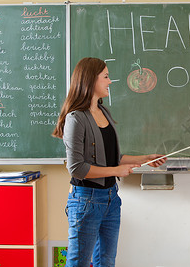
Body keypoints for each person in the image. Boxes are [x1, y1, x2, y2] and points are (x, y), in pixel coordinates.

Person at [52, 57, 167, 267]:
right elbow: (77, 169)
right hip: (86, 202)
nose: (110, 81)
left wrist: (146, 159)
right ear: (89, 81)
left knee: (106, 261)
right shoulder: (76, 118)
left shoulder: (103, 111)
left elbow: (113, 158)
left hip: (111, 200)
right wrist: (116, 170)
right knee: (78, 262)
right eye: (105, 76)